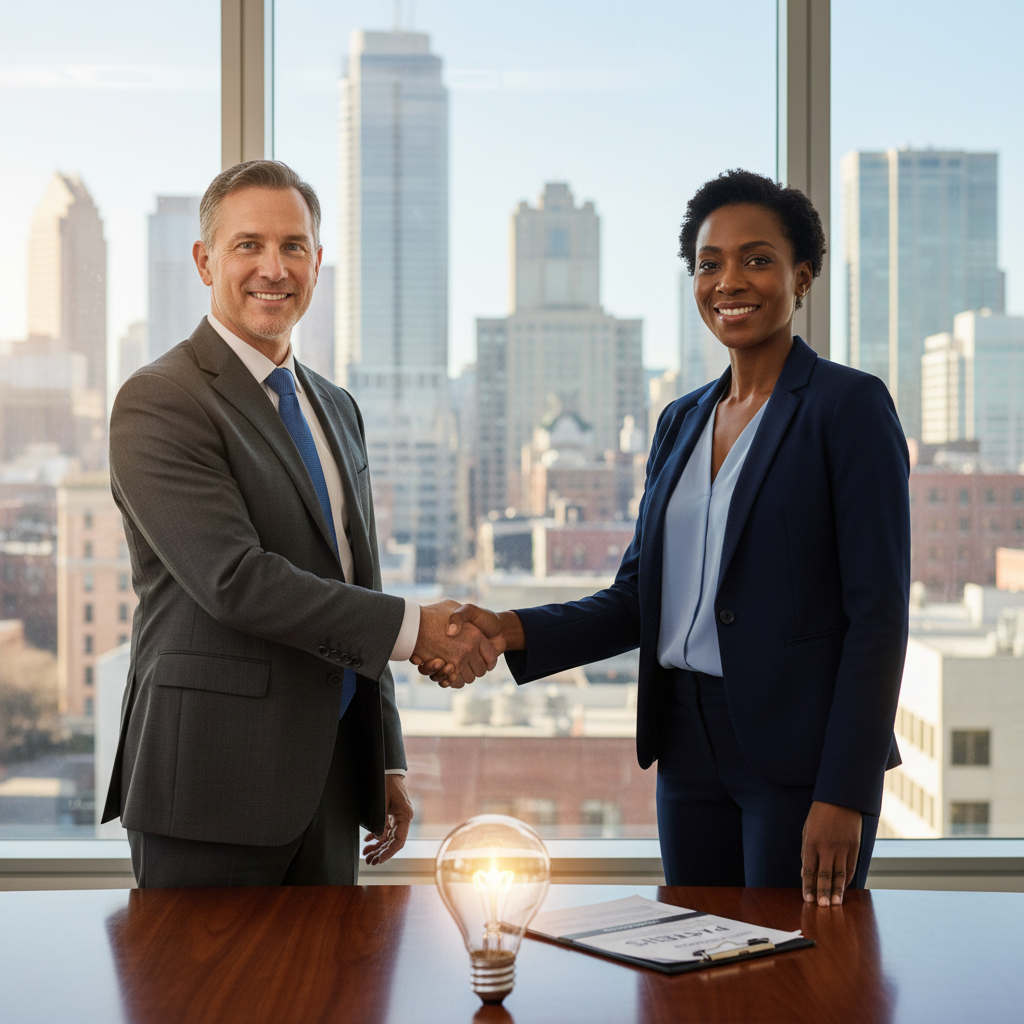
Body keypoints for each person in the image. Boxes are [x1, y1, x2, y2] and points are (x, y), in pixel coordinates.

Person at [421, 169, 910, 907]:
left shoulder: (848, 407)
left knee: (795, 978)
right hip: (685, 746)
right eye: (709, 263)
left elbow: (880, 620)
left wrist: (847, 790)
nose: (729, 281)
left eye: (757, 258)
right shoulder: (681, 420)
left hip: (800, 758)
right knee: (691, 964)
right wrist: (509, 629)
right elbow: (638, 599)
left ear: (801, 276)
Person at [101, 160, 496, 888]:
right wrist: (419, 632)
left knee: (326, 998)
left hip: (329, 783)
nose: (273, 268)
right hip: (210, 787)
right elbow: (235, 582)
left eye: (294, 246)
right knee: (205, 1001)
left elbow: (354, 578)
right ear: (205, 260)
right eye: (248, 244)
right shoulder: (159, 399)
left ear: (317, 262)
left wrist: (382, 756)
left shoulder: (335, 406)